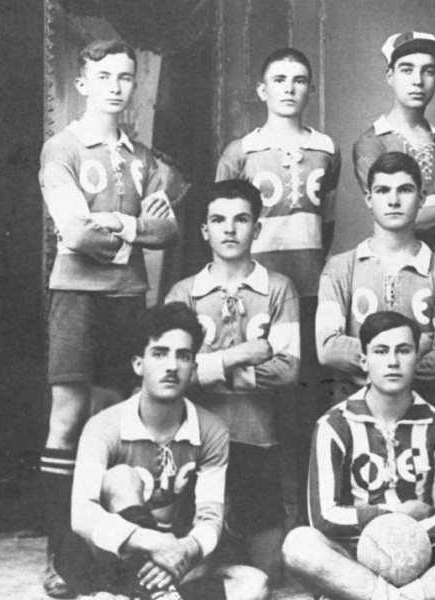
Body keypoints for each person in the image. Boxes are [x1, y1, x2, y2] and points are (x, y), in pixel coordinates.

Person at [38, 38, 180, 598]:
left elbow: (169, 231)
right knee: (69, 417)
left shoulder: (143, 158)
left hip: (128, 298)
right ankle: (60, 554)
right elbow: (75, 234)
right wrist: (135, 229)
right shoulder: (62, 148)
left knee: (119, 419)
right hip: (77, 295)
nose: (116, 87)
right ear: (82, 84)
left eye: (125, 77)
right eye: (105, 77)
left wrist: (118, 225)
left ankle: (107, 553)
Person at [283, 311, 435, 600]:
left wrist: (408, 539)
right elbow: (323, 518)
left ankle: (393, 596)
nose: (393, 361)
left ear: (417, 358)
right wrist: (397, 515)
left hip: (424, 560)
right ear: (364, 360)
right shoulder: (334, 425)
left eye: (403, 350)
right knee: (299, 544)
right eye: (381, 351)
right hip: (358, 558)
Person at [215, 46, 340, 532]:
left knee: (305, 405)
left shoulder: (325, 149)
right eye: (280, 80)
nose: (289, 89)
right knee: (255, 402)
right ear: (262, 90)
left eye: (299, 80)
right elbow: (223, 221)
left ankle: (307, 519)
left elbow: (326, 223)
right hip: (255, 295)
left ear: (311, 89)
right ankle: (248, 518)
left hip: (308, 294)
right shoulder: (240, 151)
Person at [68, 302, 268, 600]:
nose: (172, 366)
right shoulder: (103, 426)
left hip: (176, 559)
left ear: (194, 368)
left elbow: (211, 518)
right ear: (139, 364)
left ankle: (138, 595)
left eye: (183, 356)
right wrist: (149, 541)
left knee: (255, 584)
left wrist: (183, 550)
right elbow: (81, 513)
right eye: (160, 353)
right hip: (118, 556)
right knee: (121, 478)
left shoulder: (211, 430)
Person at [165, 179, 300, 582]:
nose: (229, 229)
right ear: (204, 230)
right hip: (195, 443)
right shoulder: (184, 293)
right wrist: (240, 355)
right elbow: (174, 374)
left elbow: (288, 369)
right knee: (187, 563)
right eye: (218, 220)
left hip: (257, 440)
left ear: (256, 228)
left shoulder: (278, 289)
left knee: (269, 572)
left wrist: (206, 370)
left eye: (241, 219)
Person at [317, 152, 435, 402]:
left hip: (422, 409)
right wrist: (415, 346)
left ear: (421, 198)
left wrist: (371, 358)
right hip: (353, 410)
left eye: (405, 190)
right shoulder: (340, 268)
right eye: (383, 190)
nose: (393, 201)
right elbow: (328, 349)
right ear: (369, 198)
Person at [352, 32, 435, 271]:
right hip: (398, 269)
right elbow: (389, 219)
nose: (418, 81)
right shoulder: (372, 143)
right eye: (407, 70)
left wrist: (416, 219)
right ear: (390, 76)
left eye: (428, 71)